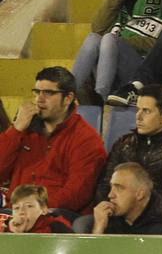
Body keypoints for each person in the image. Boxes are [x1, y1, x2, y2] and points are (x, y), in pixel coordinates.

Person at [0, 67, 106, 215]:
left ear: (68, 98)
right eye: (37, 92)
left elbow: (77, 194)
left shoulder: (86, 139)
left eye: (48, 93)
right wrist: (15, 130)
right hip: (14, 212)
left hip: (56, 215)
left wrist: (34, 210)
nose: (39, 99)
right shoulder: (24, 129)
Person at [95, 84, 162, 214]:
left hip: (158, 221)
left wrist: (133, 207)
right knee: (84, 224)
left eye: (146, 111)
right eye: (138, 110)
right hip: (118, 215)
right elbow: (104, 185)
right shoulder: (124, 144)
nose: (138, 116)